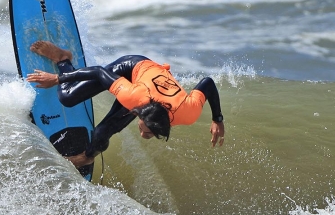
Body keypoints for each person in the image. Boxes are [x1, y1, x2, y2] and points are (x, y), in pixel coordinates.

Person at [26, 41, 225, 167]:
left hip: (147, 91)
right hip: (133, 67)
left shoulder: (187, 112)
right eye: (146, 130)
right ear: (140, 114)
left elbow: (207, 83)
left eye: (150, 134)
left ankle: (87, 156)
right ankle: (63, 58)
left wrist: (217, 119)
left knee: (102, 133)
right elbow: (97, 72)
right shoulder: (134, 96)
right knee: (67, 97)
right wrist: (58, 78)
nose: (144, 135)